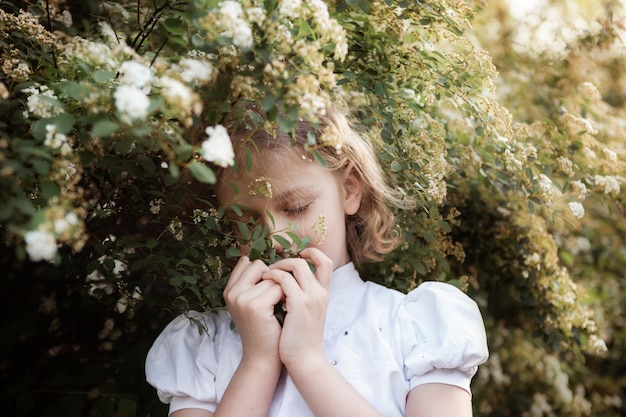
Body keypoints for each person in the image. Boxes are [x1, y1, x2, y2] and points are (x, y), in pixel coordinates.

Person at [145, 103, 489, 417]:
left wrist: (307, 359)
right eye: (247, 221)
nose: (276, 237)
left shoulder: (414, 328)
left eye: (295, 207)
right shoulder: (205, 344)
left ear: (350, 188)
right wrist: (258, 361)